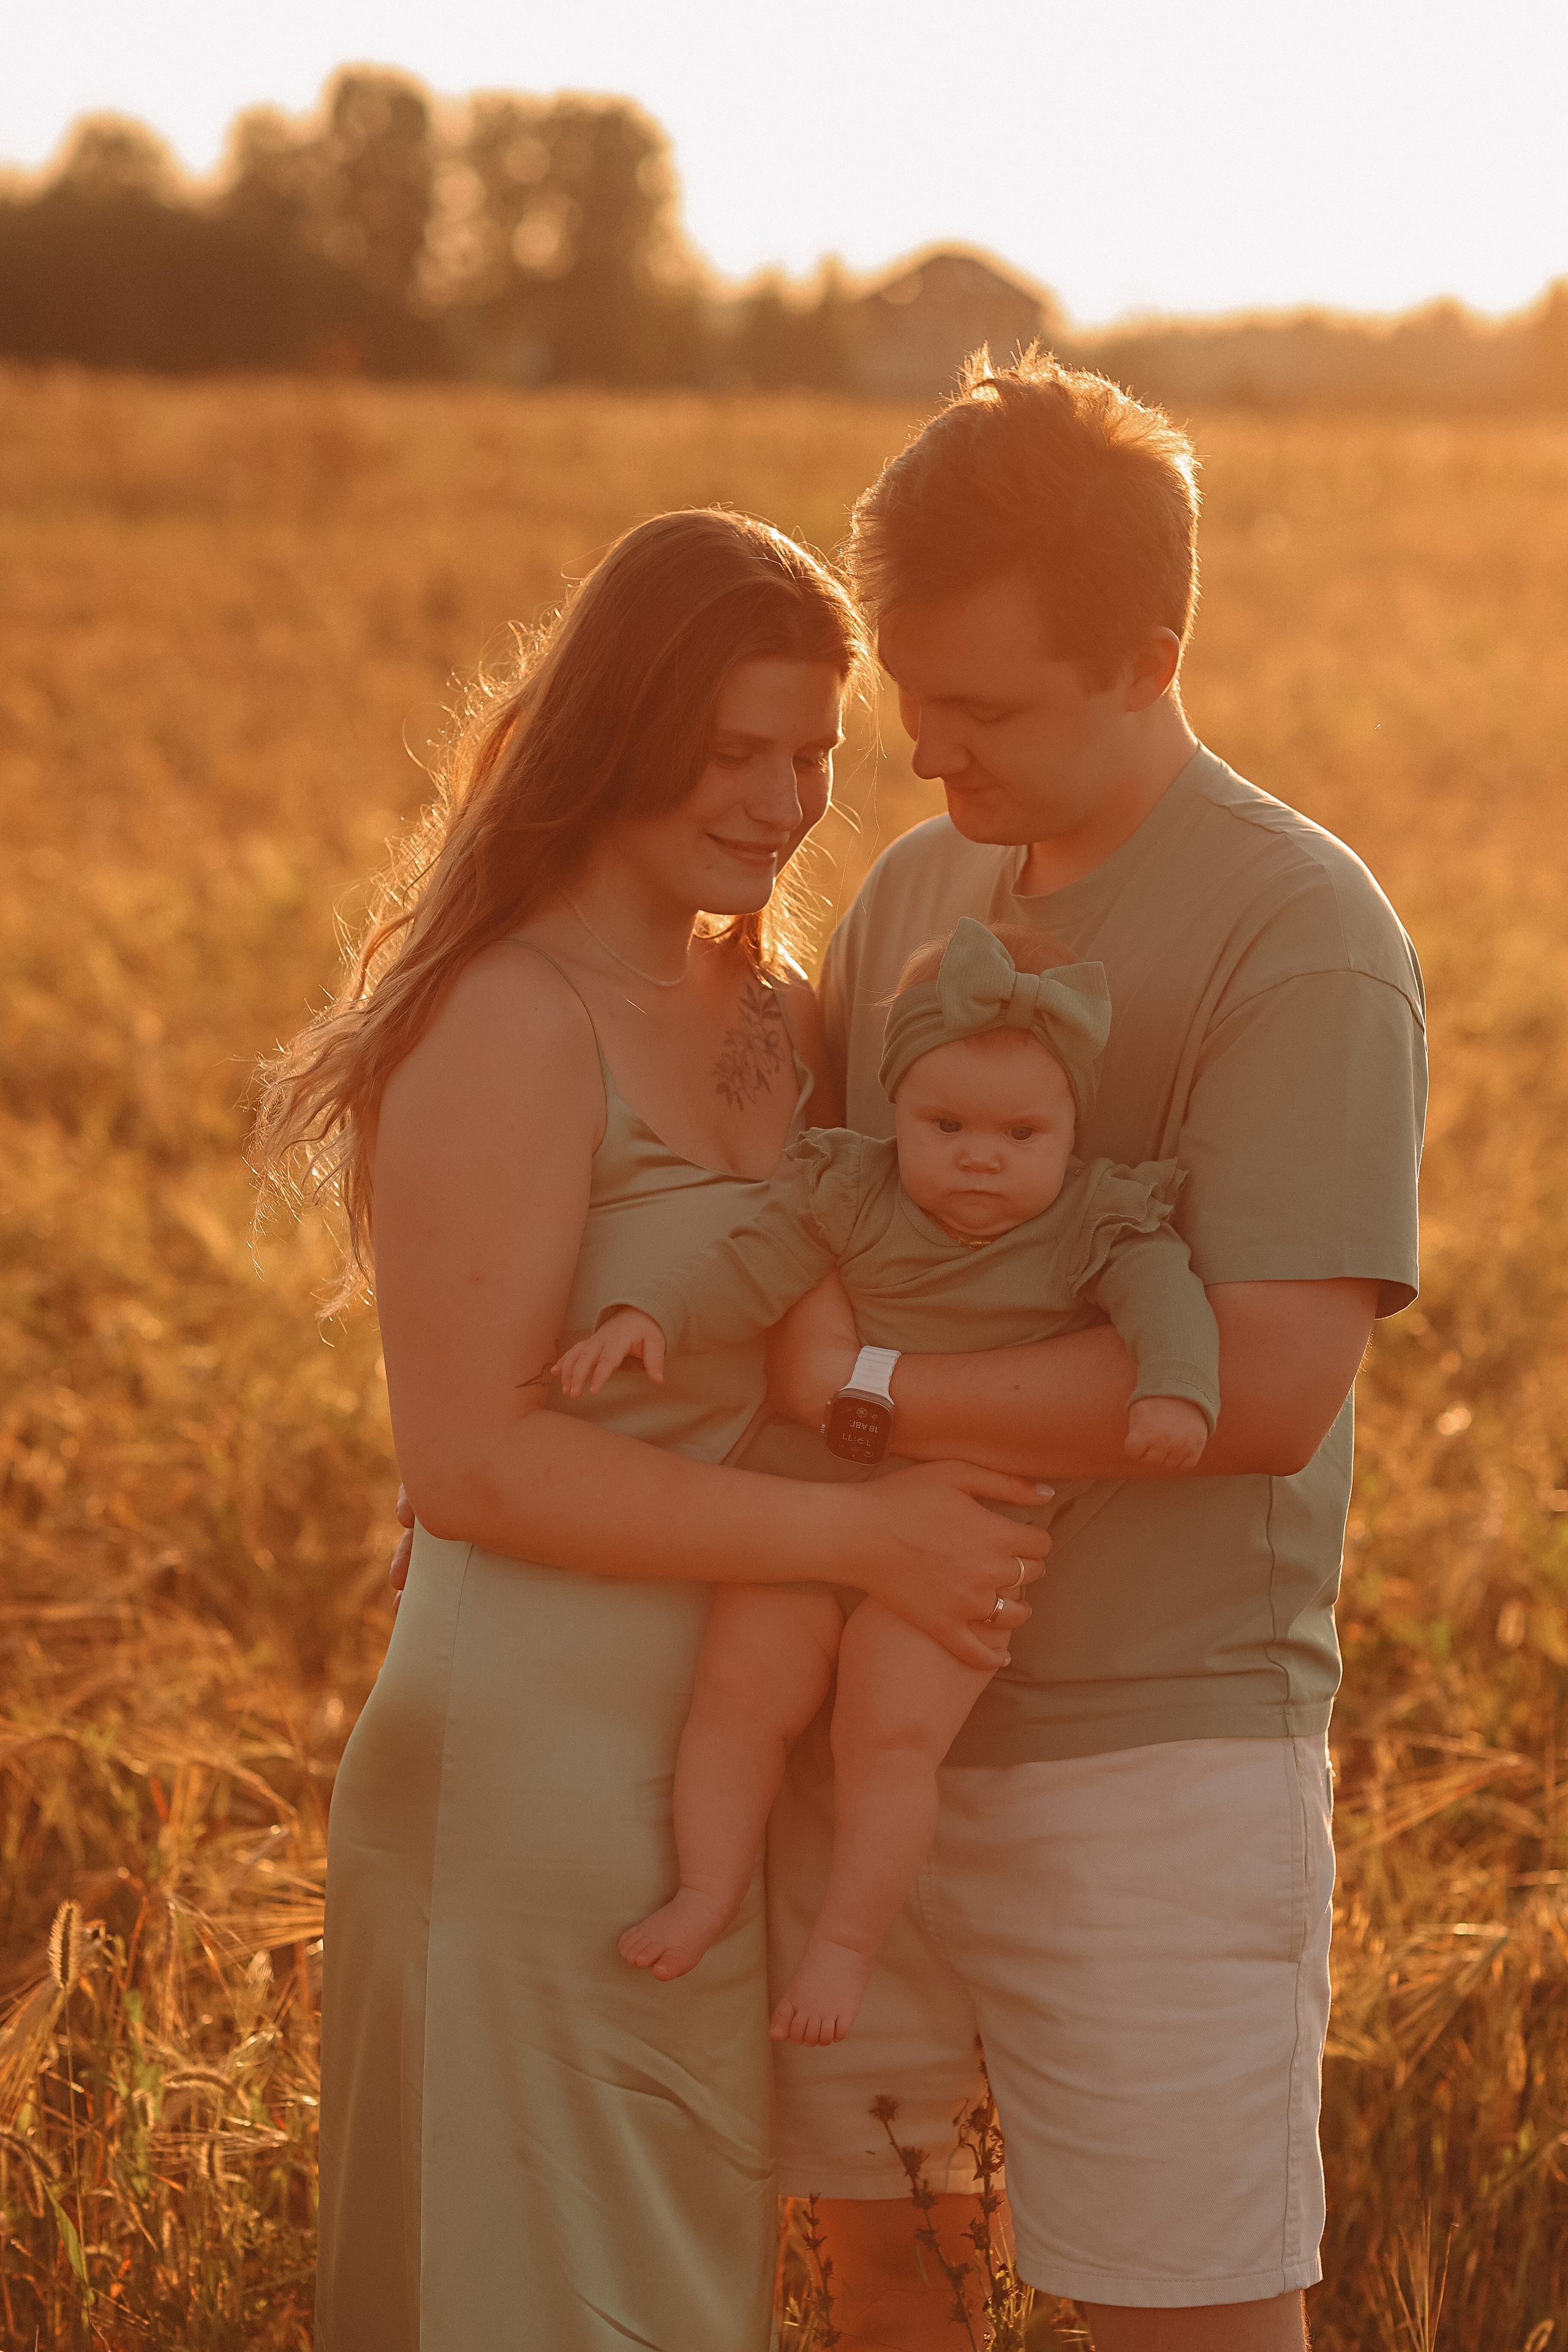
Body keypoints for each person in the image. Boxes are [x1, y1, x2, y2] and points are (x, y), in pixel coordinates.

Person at [253, 509, 1050, 2352]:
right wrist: (869, 1542)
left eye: (812, 756)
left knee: (676, 2308)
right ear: (621, 730)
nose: (783, 801)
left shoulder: (780, 1009)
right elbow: (470, 1465)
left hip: (710, 1770)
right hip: (521, 1773)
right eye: (735, 752)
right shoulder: (508, 1016)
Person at [755, 354, 1427, 2352]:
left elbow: (1273, 1384)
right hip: (854, 1748)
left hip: (1151, 1765)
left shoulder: (1295, 931)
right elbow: (803, 1206)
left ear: (1147, 656)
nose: (923, 759)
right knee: (889, 2288)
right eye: (912, 702)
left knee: (1187, 2325)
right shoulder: (910, 893)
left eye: (983, 712)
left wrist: (866, 1406)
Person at [554, 918, 1219, 2048]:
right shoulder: (851, 1190)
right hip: (808, 1501)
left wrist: (1174, 1392)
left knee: (892, 1734)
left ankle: (845, 1947)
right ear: (894, 1110)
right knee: (740, 1696)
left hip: (968, 1529)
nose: (979, 1157)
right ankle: (709, 1887)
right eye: (944, 1124)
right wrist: (647, 1313)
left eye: (1021, 1132)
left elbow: (1168, 1304)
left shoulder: (1090, 1223)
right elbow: (749, 1265)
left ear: (1072, 1127)